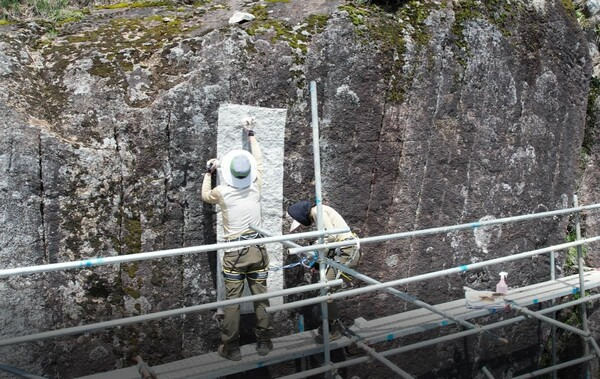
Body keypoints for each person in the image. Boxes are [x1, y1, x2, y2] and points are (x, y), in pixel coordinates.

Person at [202, 121, 273, 361]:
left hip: (235, 253)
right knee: (260, 298)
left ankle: (231, 347)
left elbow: (204, 196)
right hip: (258, 249)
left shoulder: (222, 192)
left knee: (232, 304)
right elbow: (260, 162)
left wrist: (209, 173)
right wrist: (251, 134)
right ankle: (264, 341)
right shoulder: (256, 185)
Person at [287, 201, 361, 343]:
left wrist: (314, 247)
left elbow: (331, 236)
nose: (302, 224)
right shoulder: (319, 211)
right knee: (325, 289)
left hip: (347, 250)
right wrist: (317, 258)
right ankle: (333, 324)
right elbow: (330, 238)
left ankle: (334, 328)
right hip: (341, 250)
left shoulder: (317, 211)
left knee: (325, 288)